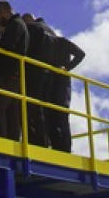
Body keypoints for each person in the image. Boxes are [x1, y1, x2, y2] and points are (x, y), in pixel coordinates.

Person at [31, 17, 85, 153]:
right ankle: (59, 148)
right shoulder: (56, 42)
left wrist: (67, 68)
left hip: (59, 83)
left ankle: (64, 149)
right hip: (54, 83)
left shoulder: (59, 42)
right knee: (54, 116)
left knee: (59, 116)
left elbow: (80, 53)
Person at [0, 0, 29, 141]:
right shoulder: (19, 25)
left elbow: (9, 44)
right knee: (12, 112)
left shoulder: (15, 24)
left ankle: (1, 140)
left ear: (2, 12)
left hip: (7, 74)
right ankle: (13, 141)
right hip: (14, 75)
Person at [20, 14, 55, 147]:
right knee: (45, 109)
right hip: (51, 74)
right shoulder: (51, 31)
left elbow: (27, 49)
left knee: (34, 108)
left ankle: (38, 141)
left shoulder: (33, 29)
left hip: (35, 72)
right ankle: (47, 141)